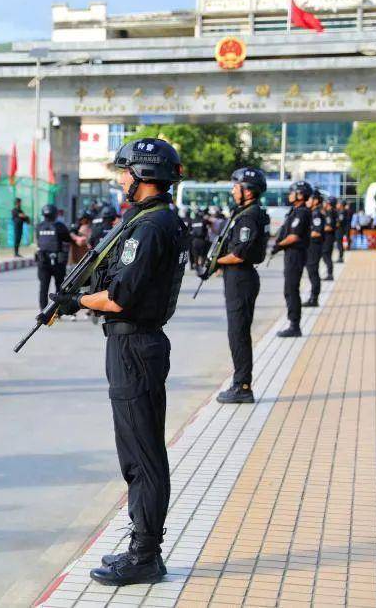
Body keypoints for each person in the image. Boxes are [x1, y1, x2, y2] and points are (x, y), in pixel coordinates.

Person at [52, 138, 186, 586]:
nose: (121, 179)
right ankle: (142, 545)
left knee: (142, 455)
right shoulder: (153, 220)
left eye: (126, 172)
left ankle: (146, 554)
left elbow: (120, 296)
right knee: (136, 450)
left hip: (135, 347)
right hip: (135, 345)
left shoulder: (150, 227)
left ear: (145, 176)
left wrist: (74, 302)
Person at [213, 168, 270, 404]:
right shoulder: (248, 212)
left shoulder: (248, 216)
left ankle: (242, 385)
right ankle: (241, 382)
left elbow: (239, 254)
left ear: (248, 190)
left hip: (241, 278)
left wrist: (214, 261)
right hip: (239, 278)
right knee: (237, 332)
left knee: (238, 333)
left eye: (236, 186)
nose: (233, 190)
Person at [271, 181, 313, 338]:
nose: (289, 195)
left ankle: (294, 325)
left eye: (292, 192)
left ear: (300, 195)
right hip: (291, 254)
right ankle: (293, 323)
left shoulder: (302, 212)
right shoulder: (294, 211)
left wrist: (278, 246)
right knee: (289, 289)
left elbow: (294, 236)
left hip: (296, 254)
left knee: (291, 289)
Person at [35, 204, 71, 309]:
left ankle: (43, 310)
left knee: (43, 287)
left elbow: (38, 241)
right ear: (55, 214)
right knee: (59, 287)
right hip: (58, 261)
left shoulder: (39, 226)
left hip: (43, 261)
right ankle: (58, 311)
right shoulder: (60, 226)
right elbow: (67, 240)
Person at [303, 190, 324, 308]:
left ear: (315, 201)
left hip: (314, 247)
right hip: (310, 246)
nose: (307, 202)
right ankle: (312, 297)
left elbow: (317, 232)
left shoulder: (316, 213)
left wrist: (303, 235)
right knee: (311, 272)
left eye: (309, 199)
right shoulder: (312, 212)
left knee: (313, 272)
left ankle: (314, 298)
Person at [321, 196, 336, 280]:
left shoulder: (330, 213)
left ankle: (330, 274)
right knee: (327, 255)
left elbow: (329, 227)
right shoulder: (329, 212)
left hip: (328, 237)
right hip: (328, 237)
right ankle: (329, 273)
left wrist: (320, 229)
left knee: (326, 255)